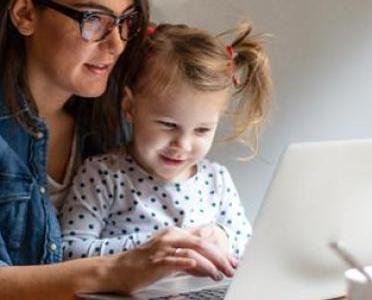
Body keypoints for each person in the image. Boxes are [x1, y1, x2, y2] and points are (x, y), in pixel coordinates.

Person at [0, 1, 237, 299]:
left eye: (125, 21)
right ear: (25, 13)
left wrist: (216, 237)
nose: (117, 44)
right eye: (94, 19)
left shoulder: (128, 112)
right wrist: (118, 270)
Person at [60, 23, 271, 264]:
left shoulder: (216, 181)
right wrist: (150, 246)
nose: (183, 144)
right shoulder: (103, 176)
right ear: (130, 107)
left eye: (202, 130)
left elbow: (247, 247)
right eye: (168, 125)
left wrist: (223, 238)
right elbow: (69, 251)